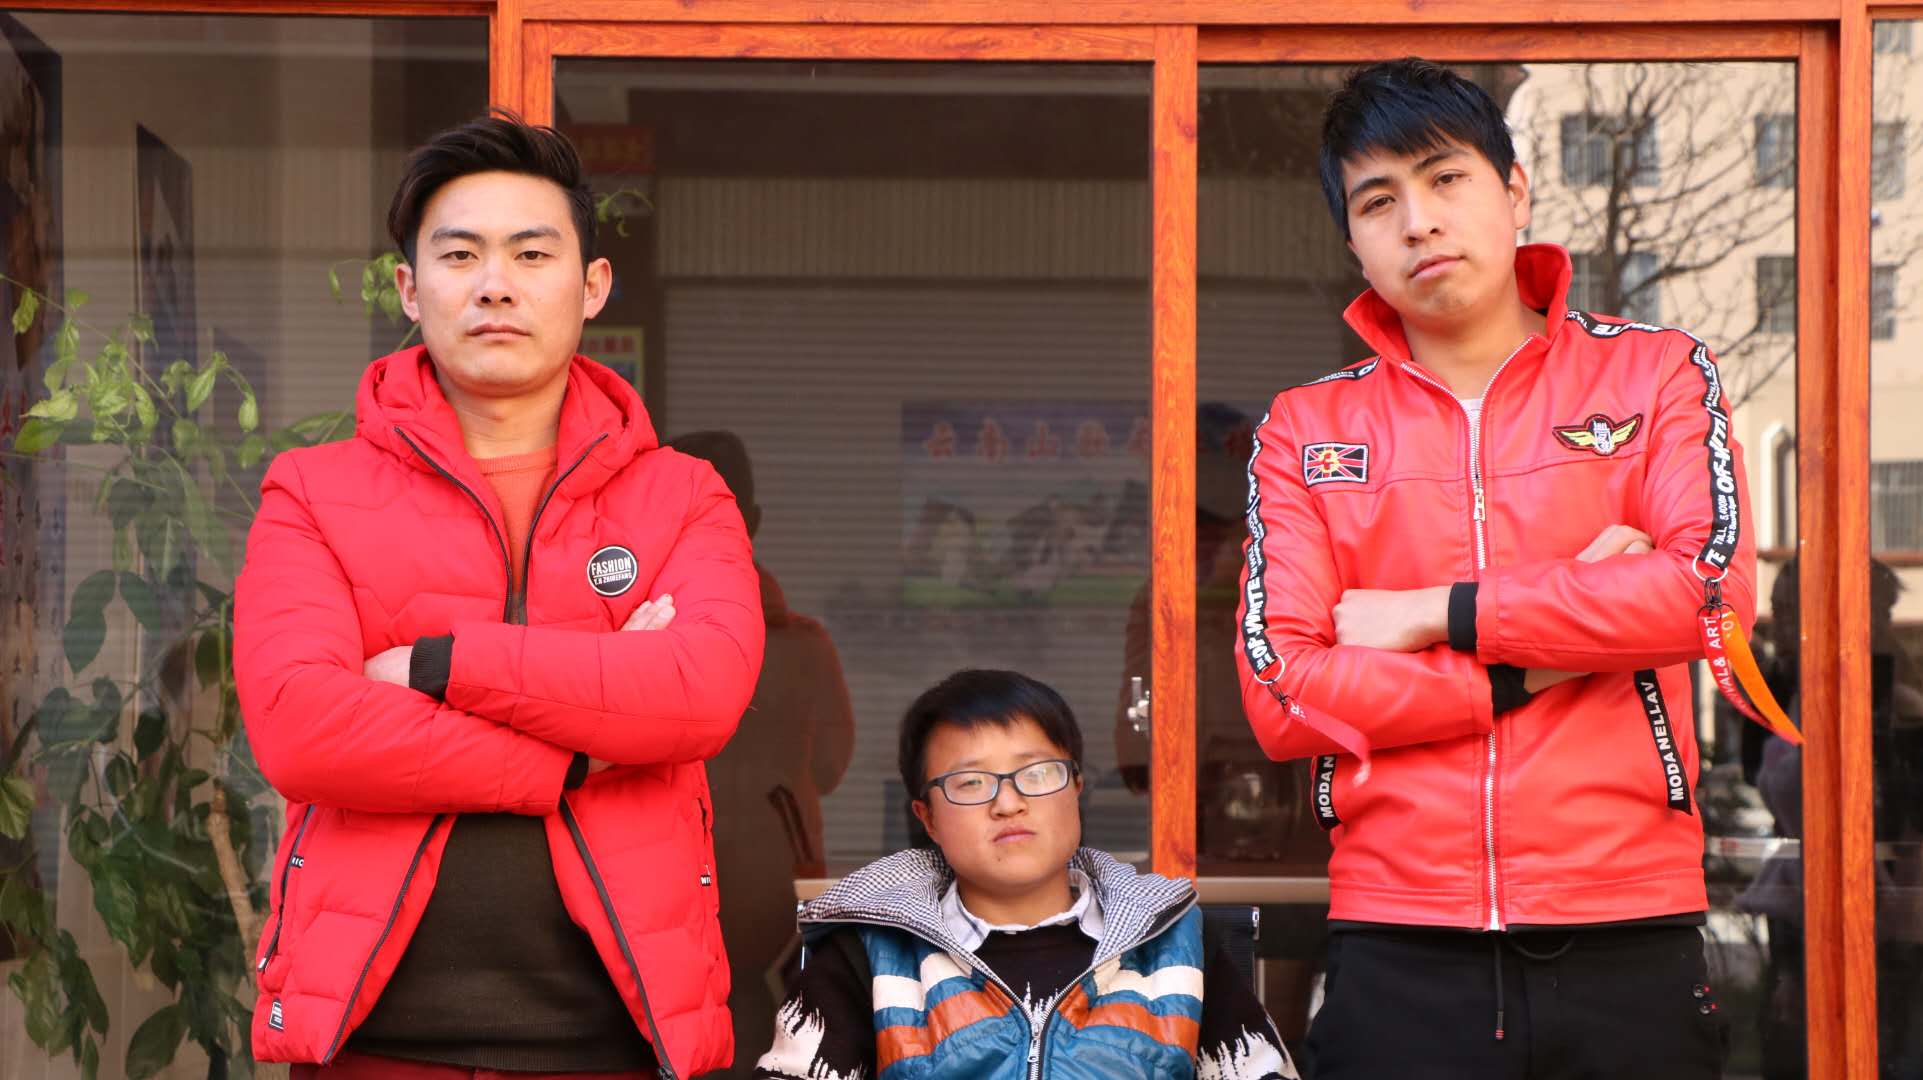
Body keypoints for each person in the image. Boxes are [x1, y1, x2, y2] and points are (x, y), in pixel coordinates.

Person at [1235, 59, 1754, 1076]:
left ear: (1514, 190)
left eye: (1446, 178)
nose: (1418, 222)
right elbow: (1284, 694)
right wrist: (1540, 667)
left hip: (1628, 932)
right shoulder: (1307, 428)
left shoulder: (1654, 371)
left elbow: (1709, 598)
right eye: (1378, 202)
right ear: (1353, 242)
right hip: (1397, 942)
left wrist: (1440, 612)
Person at [234, 112, 765, 1079]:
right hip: (371, 1043)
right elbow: (300, 729)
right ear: (410, 287)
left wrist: (437, 665)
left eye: (531, 253)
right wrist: (585, 747)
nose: (494, 285)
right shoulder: (311, 491)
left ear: (592, 285)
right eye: (459, 255)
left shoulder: (682, 496)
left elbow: (701, 694)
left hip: (613, 1042)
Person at [756, 669, 1297, 1080]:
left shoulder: (1175, 944)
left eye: (1036, 774)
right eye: (971, 783)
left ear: (1076, 788)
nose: (1008, 803)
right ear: (928, 818)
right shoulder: (870, 955)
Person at [669, 428, 857, 1076]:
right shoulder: (801, 643)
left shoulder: (635, 635)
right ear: (753, 520)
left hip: (665, 869)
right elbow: (831, 766)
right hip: (776, 880)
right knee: (762, 1021)